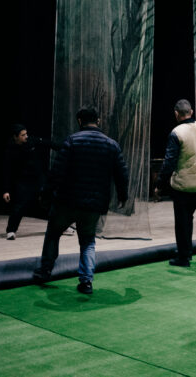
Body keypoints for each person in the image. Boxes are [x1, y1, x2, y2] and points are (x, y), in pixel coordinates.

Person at [32, 106, 128, 294]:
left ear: (79, 121)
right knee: (88, 241)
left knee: (53, 234)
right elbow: (121, 174)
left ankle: (44, 272)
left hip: (66, 201)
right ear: (98, 121)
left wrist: (45, 194)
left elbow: (57, 172)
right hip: (94, 204)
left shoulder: (72, 141)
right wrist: (123, 196)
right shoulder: (111, 145)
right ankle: (86, 281)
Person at [154, 99, 196, 267]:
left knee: (182, 220)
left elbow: (169, 163)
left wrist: (159, 185)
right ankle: (186, 251)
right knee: (188, 218)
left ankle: (183, 256)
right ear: (191, 112)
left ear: (176, 114)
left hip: (182, 185)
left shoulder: (177, 133)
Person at [2, 124, 61, 240]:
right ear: (15, 137)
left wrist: (64, 148)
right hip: (23, 181)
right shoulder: (10, 150)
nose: (26, 136)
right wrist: (6, 190)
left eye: (26, 134)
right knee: (20, 205)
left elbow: (48, 143)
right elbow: (6, 171)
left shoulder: (31, 141)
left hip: (38, 178)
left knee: (50, 201)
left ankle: (60, 226)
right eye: (23, 135)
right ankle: (11, 230)